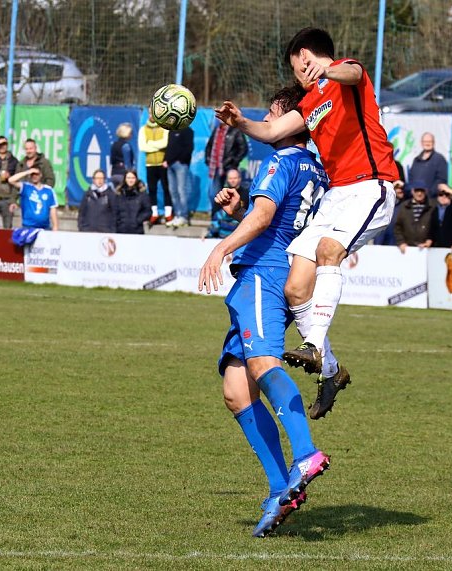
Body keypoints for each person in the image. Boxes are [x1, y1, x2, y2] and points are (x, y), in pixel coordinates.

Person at [215, 28, 399, 392]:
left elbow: (354, 73)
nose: (298, 74)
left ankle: (313, 345)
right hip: (336, 195)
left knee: (327, 250)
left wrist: (326, 70)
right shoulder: (311, 103)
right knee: (296, 287)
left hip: (370, 184)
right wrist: (240, 123)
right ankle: (330, 372)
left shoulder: (345, 73)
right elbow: (271, 133)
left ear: (304, 56)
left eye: (297, 66)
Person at [198, 86, 329, 538]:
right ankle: (280, 488)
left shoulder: (282, 160)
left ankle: (307, 453)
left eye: (273, 113)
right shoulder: (318, 169)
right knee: (237, 390)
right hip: (278, 272)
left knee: (263, 363)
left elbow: (267, 214)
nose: (268, 120)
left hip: (264, 277)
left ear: (290, 119)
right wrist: (241, 213)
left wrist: (223, 245)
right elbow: (278, 223)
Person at [205, 119, 248, 216]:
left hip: (229, 168)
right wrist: (208, 159)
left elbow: (243, 148)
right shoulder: (217, 130)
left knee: (231, 195)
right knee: (215, 195)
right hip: (216, 168)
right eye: (218, 117)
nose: (220, 119)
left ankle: (231, 218)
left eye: (222, 116)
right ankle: (216, 220)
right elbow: (209, 146)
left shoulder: (235, 130)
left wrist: (233, 161)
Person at [138, 113, 171, 225]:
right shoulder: (143, 129)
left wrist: (150, 144)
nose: (151, 115)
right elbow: (142, 146)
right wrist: (157, 145)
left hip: (163, 163)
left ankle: (168, 214)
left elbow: (165, 143)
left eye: (153, 113)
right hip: (150, 164)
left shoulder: (165, 127)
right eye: (149, 113)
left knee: (166, 188)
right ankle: (154, 213)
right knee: (152, 189)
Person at [164, 124, 194, 228]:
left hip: (180, 165)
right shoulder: (171, 130)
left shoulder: (187, 130)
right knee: (173, 191)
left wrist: (180, 160)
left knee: (181, 190)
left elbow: (189, 148)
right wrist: (166, 159)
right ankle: (177, 215)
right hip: (169, 165)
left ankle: (184, 217)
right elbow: (169, 146)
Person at [204, 169, 248, 239]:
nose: (233, 180)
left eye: (235, 178)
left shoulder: (246, 194)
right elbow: (215, 216)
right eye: (230, 178)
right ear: (227, 179)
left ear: (239, 179)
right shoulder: (222, 194)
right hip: (222, 233)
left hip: (240, 231)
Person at [394, 180, 433, 253]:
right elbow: (398, 227)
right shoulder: (404, 206)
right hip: (407, 248)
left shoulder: (432, 207)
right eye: (416, 191)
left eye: (422, 191)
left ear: (426, 192)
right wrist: (401, 242)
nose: (419, 193)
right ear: (412, 191)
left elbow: (435, 227)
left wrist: (430, 240)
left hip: (427, 249)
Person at [408, 132, 448, 199]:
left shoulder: (439, 159)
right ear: (421, 143)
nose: (427, 143)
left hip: (431, 200)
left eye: (430, 141)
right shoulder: (416, 160)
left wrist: (429, 193)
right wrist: (413, 192)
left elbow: (441, 180)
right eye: (425, 141)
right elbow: (411, 178)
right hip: (415, 198)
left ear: (434, 142)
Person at [114, 169, 151, 234]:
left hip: (137, 230)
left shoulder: (142, 194)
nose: (130, 180)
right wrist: (119, 222)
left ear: (136, 179)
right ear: (125, 179)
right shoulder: (119, 194)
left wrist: (137, 220)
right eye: (128, 178)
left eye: (133, 178)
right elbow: (115, 211)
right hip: (121, 230)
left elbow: (147, 211)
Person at [374, 181, 407, 247]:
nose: (400, 190)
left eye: (402, 188)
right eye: (397, 188)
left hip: (399, 244)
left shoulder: (405, 205)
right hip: (384, 241)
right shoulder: (385, 205)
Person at [109, 123, 135, 187]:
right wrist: (130, 174)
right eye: (130, 133)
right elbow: (127, 163)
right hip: (123, 174)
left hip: (114, 173)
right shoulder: (126, 146)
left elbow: (112, 161)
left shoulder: (114, 144)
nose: (131, 135)